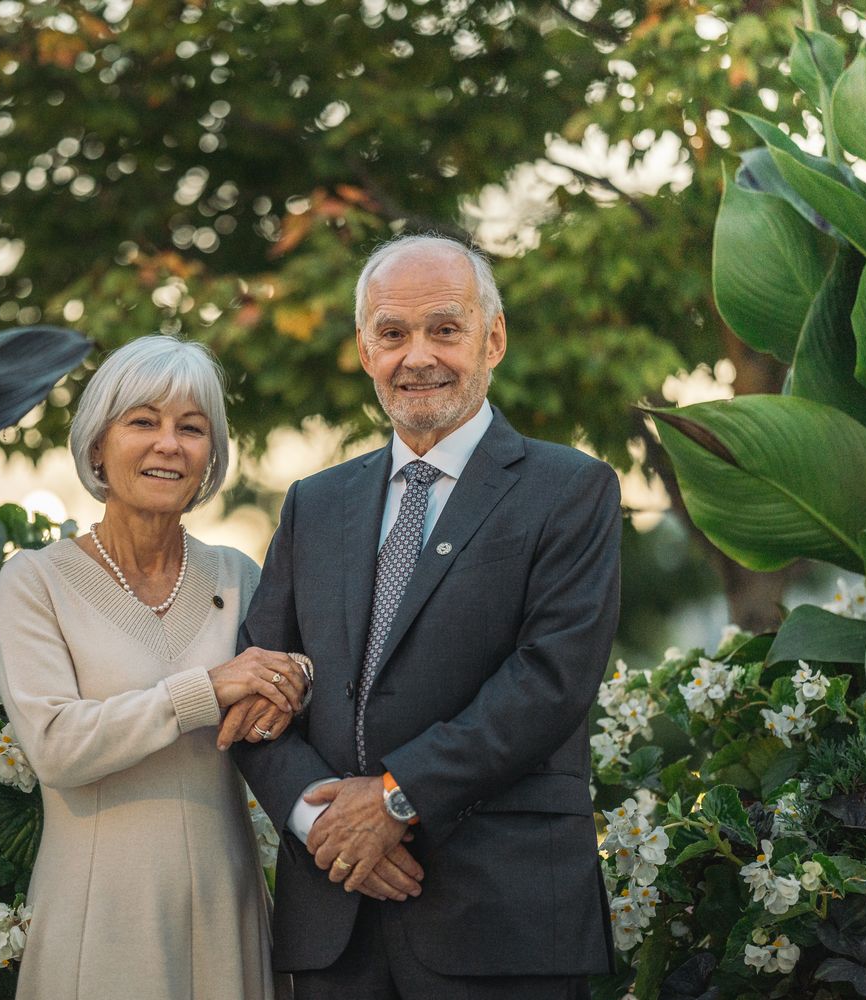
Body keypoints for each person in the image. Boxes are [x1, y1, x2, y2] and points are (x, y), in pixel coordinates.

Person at [229, 235, 621, 999]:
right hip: (337, 915)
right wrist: (326, 830)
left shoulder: (570, 490)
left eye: (445, 328)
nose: (418, 357)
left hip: (502, 919)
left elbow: (551, 681)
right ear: (364, 347)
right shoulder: (316, 503)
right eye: (392, 333)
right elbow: (256, 692)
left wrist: (392, 798)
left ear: (493, 338)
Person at [0, 336, 309, 1000]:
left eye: (191, 429)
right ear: (98, 445)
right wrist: (208, 690)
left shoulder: (240, 577)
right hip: (100, 915)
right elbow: (57, 748)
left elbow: (293, 683)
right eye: (143, 422)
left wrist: (294, 680)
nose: (169, 444)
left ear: (210, 457)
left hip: (229, 908)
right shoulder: (35, 582)